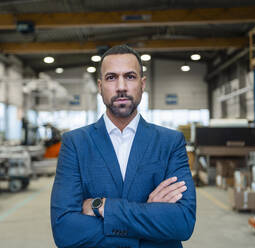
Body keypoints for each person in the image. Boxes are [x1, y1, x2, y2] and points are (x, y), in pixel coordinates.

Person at [50, 45, 196, 248]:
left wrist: (102, 207)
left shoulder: (170, 142)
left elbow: (182, 222)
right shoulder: (75, 143)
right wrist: (148, 217)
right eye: (111, 77)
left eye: (130, 76)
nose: (121, 86)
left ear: (142, 84)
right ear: (100, 86)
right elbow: (65, 231)